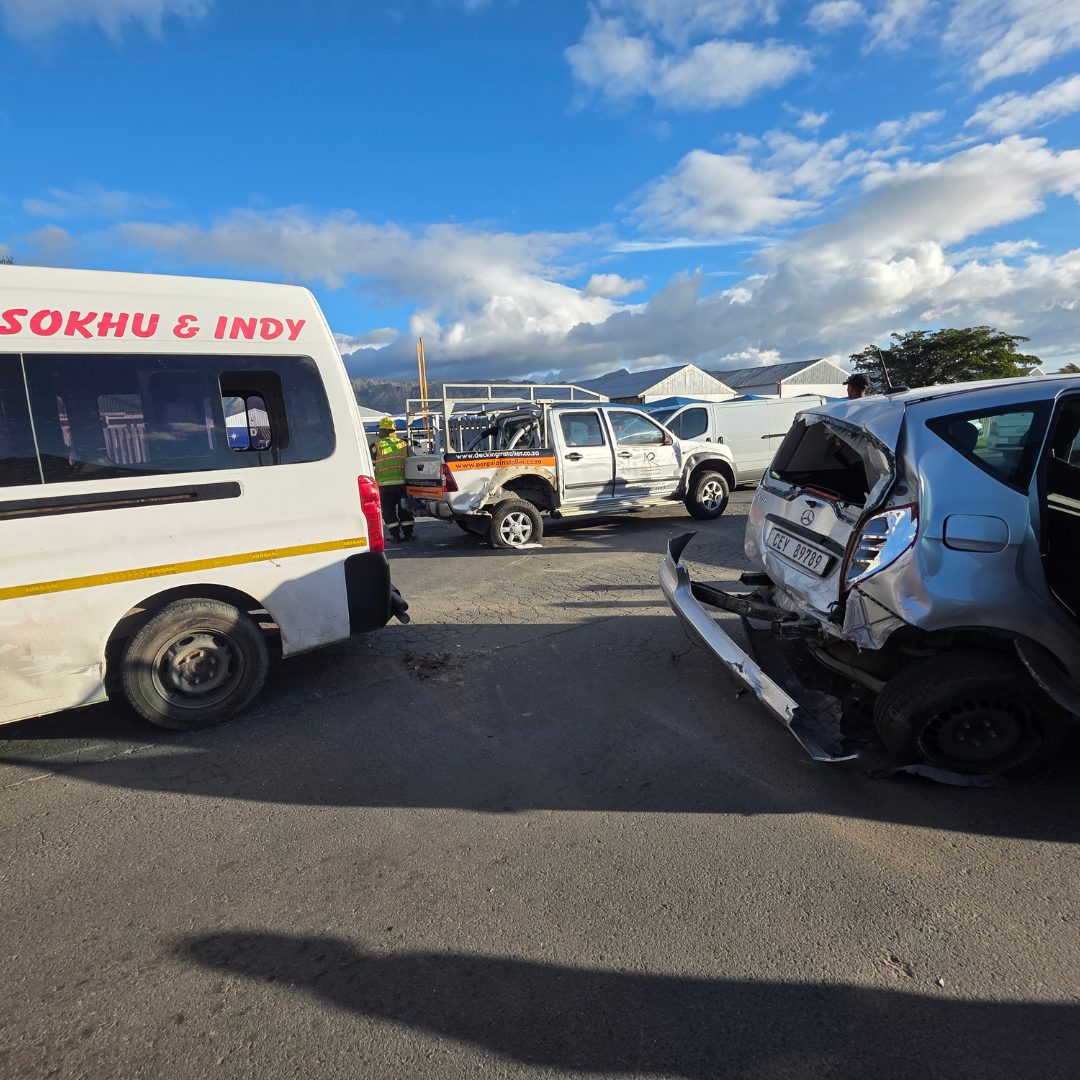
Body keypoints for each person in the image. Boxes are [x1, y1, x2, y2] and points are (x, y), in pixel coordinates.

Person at [372, 416, 415, 542]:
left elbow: (371, 464)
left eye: (380, 429)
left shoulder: (375, 446)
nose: (379, 432)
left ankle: (395, 535)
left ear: (385, 431)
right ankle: (409, 534)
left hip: (384, 486)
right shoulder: (403, 444)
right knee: (405, 510)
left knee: (388, 511)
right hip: (402, 484)